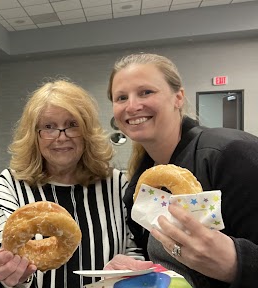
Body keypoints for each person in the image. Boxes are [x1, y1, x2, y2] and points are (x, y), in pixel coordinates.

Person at [106, 53, 258, 287]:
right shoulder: (138, 188)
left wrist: (237, 263)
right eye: (121, 97)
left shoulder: (231, 154)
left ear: (178, 97)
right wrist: (137, 269)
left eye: (146, 92)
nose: (133, 106)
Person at [0, 79, 146, 288]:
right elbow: (4, 244)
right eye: (49, 127)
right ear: (34, 135)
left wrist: (129, 269)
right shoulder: (12, 183)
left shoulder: (116, 183)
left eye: (72, 125)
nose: (61, 137)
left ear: (87, 131)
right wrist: (12, 273)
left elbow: (135, 248)